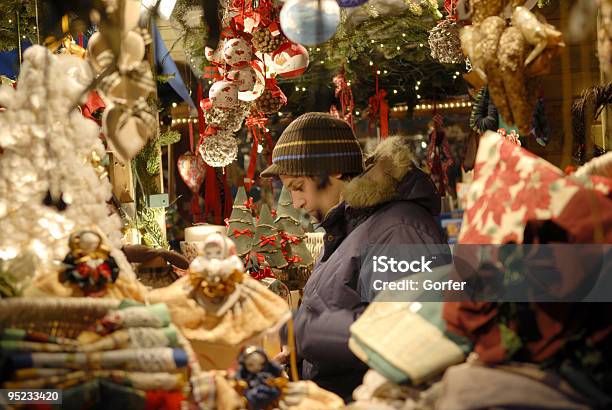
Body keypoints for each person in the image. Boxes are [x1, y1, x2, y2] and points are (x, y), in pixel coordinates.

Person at [261, 112, 448, 402]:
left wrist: (304, 332)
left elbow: (406, 333)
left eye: (299, 187)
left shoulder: (399, 230)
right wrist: (303, 353)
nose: (297, 202)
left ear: (333, 169)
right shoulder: (347, 227)